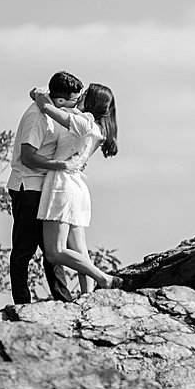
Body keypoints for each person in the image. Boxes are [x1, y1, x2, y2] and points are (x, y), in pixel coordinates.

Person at [26, 82, 121, 296]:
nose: (80, 96)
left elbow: (48, 108)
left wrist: (38, 95)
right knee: (80, 252)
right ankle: (88, 298)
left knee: (54, 251)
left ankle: (103, 278)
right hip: (77, 186)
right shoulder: (97, 129)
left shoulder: (83, 122)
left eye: (85, 93)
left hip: (62, 185)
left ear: (92, 100)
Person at [6, 70, 82, 304]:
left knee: (52, 248)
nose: (77, 104)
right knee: (24, 249)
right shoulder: (38, 118)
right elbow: (28, 157)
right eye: (74, 100)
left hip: (46, 187)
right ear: (60, 100)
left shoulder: (56, 110)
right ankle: (22, 303)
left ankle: (62, 299)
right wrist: (60, 165)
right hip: (27, 186)